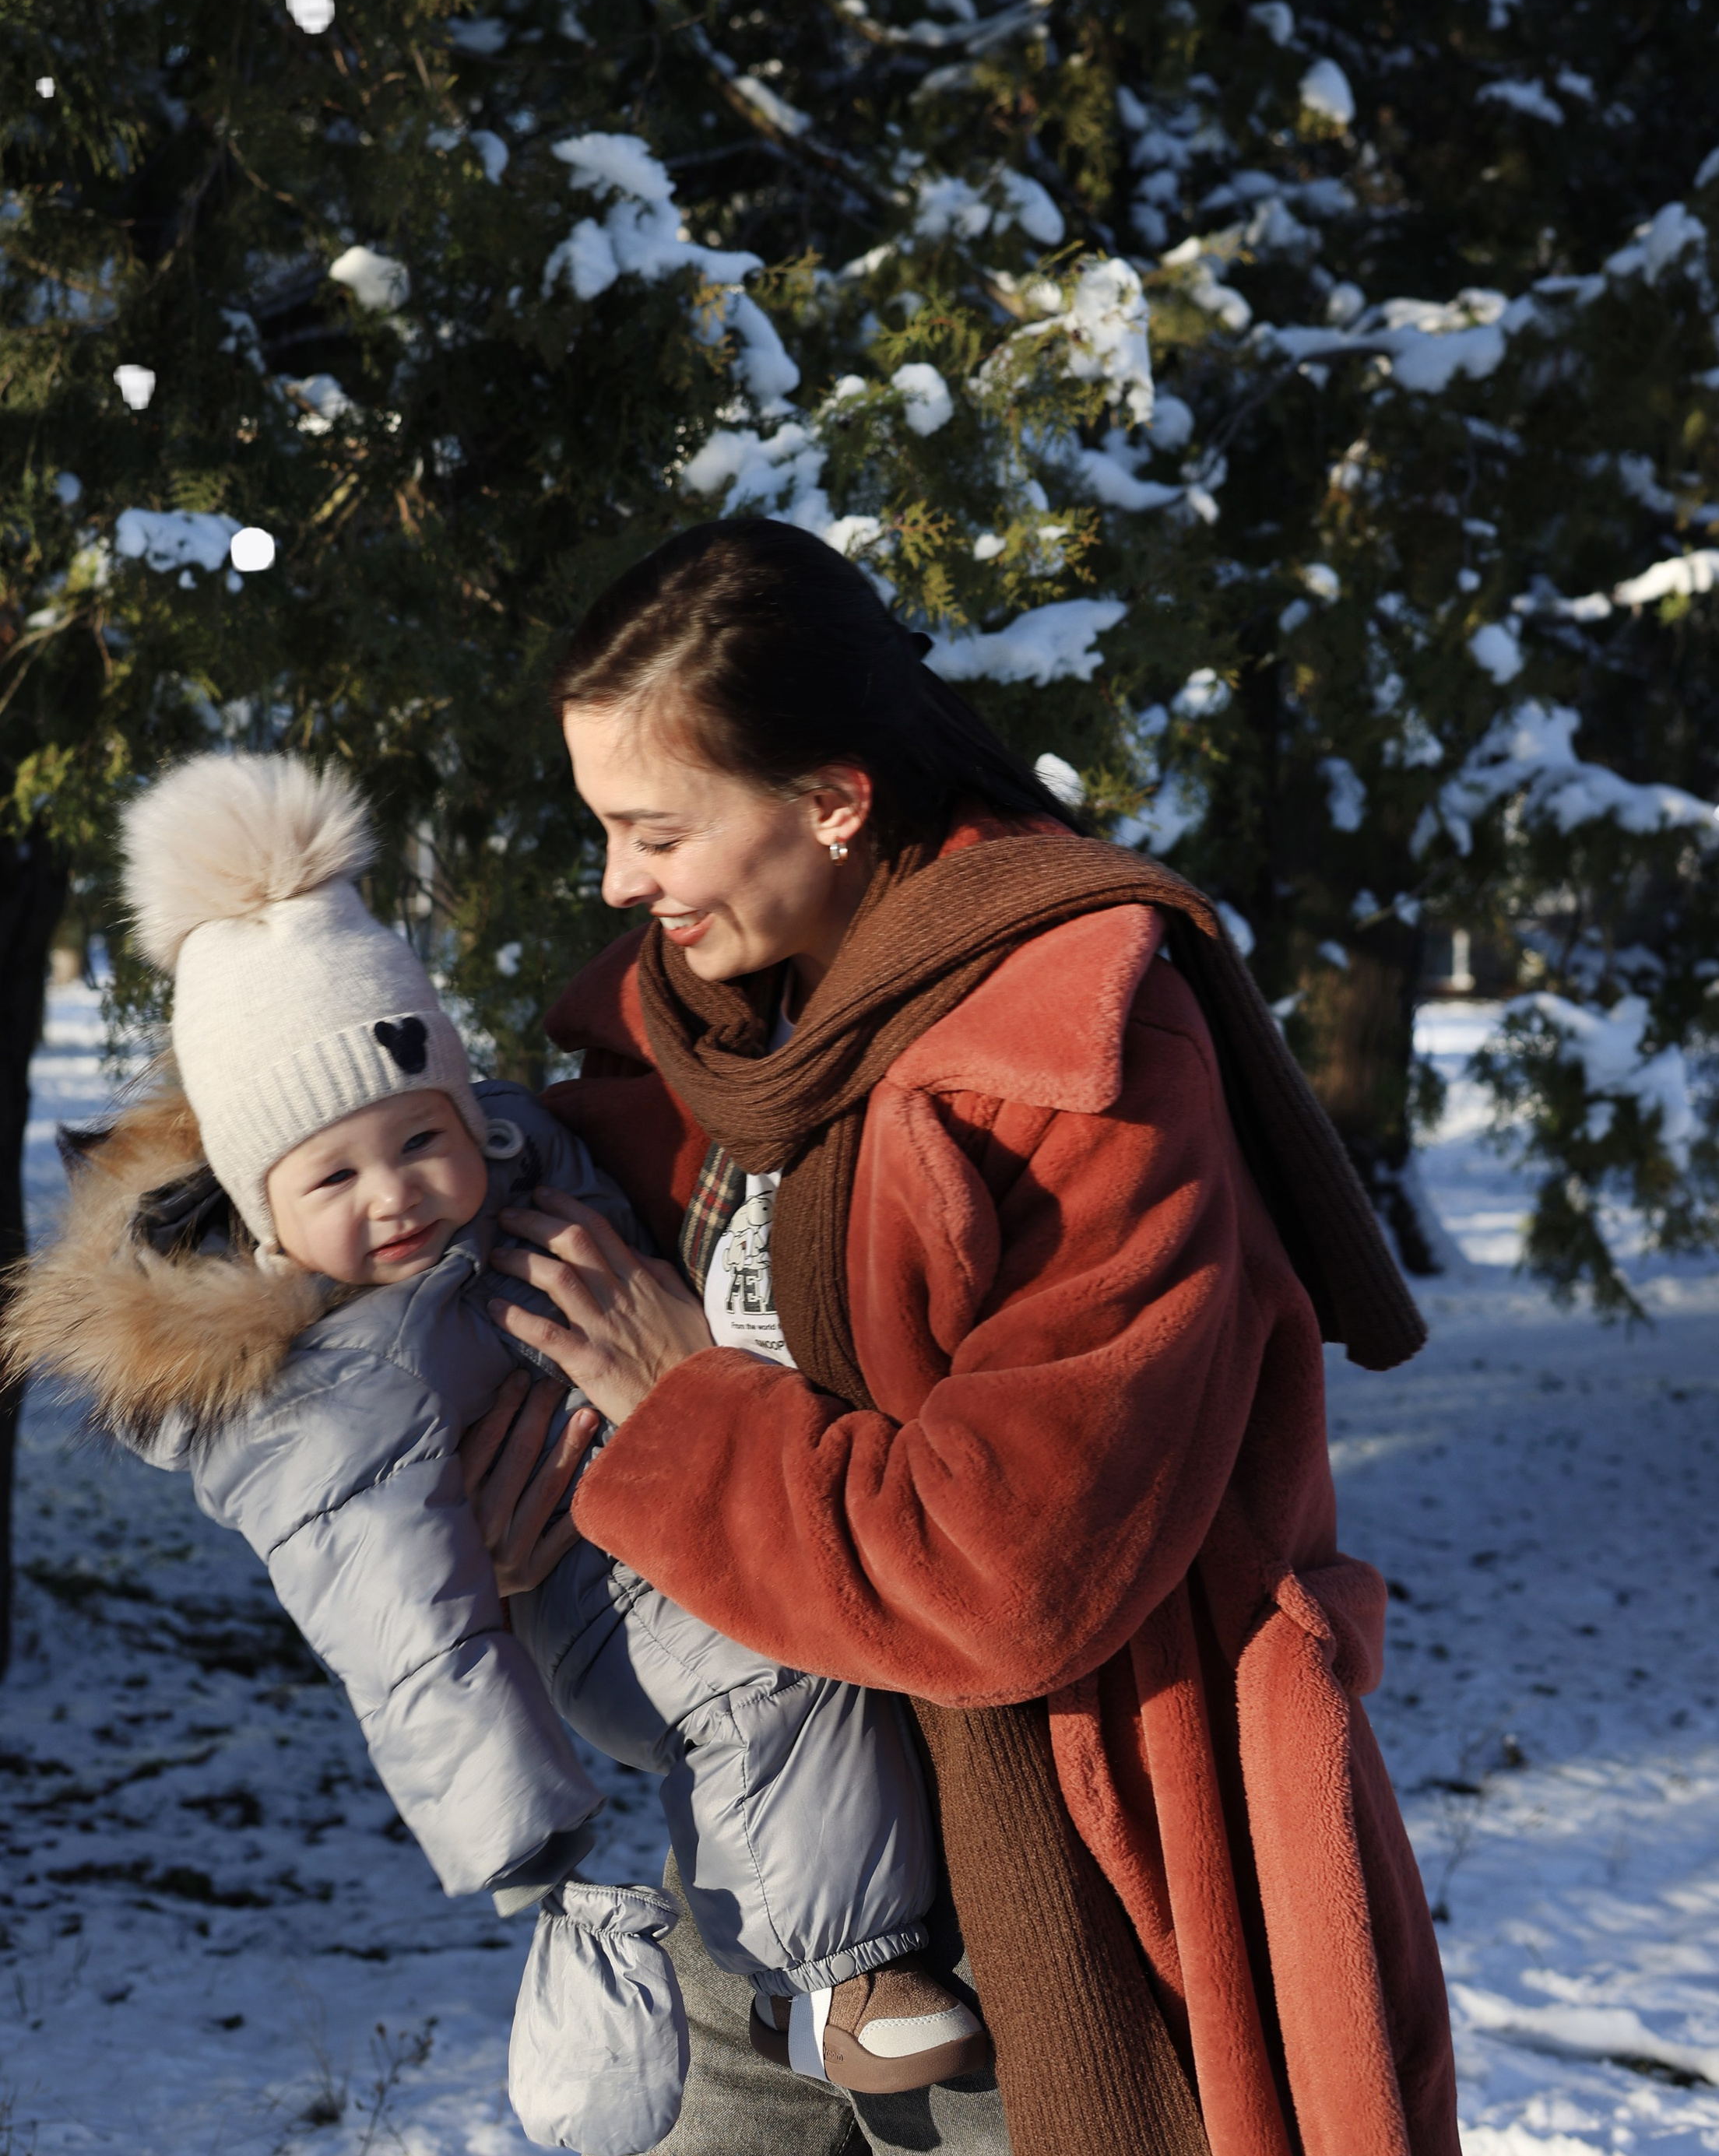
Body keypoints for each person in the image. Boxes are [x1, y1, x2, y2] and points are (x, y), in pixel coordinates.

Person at [478, 516, 1461, 2156]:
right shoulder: (701, 1038)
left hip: (1037, 1882)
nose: (615, 884)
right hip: (753, 1855)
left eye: (653, 828)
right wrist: (521, 1497)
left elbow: (1012, 1566)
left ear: (833, 801)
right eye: (600, 826)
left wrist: (674, 1408)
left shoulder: (1080, 1052)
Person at [1, 750, 986, 2151]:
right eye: (336, 1173)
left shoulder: (521, 1164)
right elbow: (406, 1632)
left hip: (657, 1513)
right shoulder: (322, 1391)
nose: (397, 1193)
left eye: (424, 1137)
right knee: (766, 1681)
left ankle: (796, 1977)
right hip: (575, 1595)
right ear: (263, 1208)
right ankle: (842, 1974)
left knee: (783, 1684)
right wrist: (532, 1841)